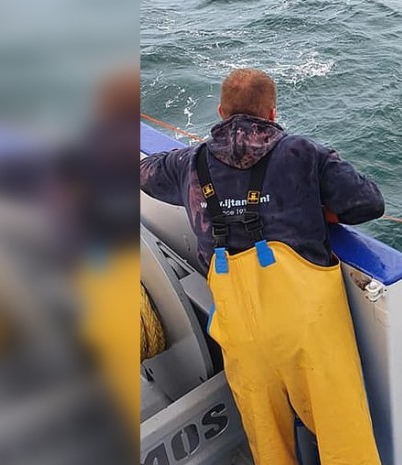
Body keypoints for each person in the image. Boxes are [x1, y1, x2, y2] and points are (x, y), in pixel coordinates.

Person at [140, 68, 383, 465]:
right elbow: (368, 203)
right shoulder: (303, 153)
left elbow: (145, 174)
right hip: (309, 332)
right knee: (346, 444)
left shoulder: (190, 163)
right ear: (272, 113)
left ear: (221, 112)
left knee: (269, 448)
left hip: (241, 336)